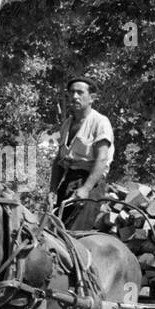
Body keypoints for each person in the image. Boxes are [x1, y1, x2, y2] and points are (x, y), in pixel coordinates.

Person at [49, 78, 114, 232]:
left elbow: (102, 159)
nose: (75, 96)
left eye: (80, 92)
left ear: (92, 97)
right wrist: (52, 191)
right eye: (71, 92)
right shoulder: (67, 124)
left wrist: (86, 188)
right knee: (55, 230)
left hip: (91, 184)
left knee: (74, 233)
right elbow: (59, 160)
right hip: (69, 182)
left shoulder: (100, 122)